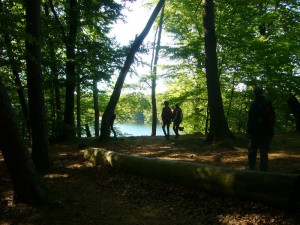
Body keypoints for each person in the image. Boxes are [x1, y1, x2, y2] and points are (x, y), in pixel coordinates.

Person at [246, 86, 275, 171]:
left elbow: (251, 119)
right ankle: (263, 171)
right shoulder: (268, 102)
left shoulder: (254, 103)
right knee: (264, 152)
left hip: (255, 132)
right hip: (268, 132)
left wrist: (248, 130)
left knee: (252, 151)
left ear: (254, 93)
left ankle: (251, 169)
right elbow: (272, 117)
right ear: (262, 92)